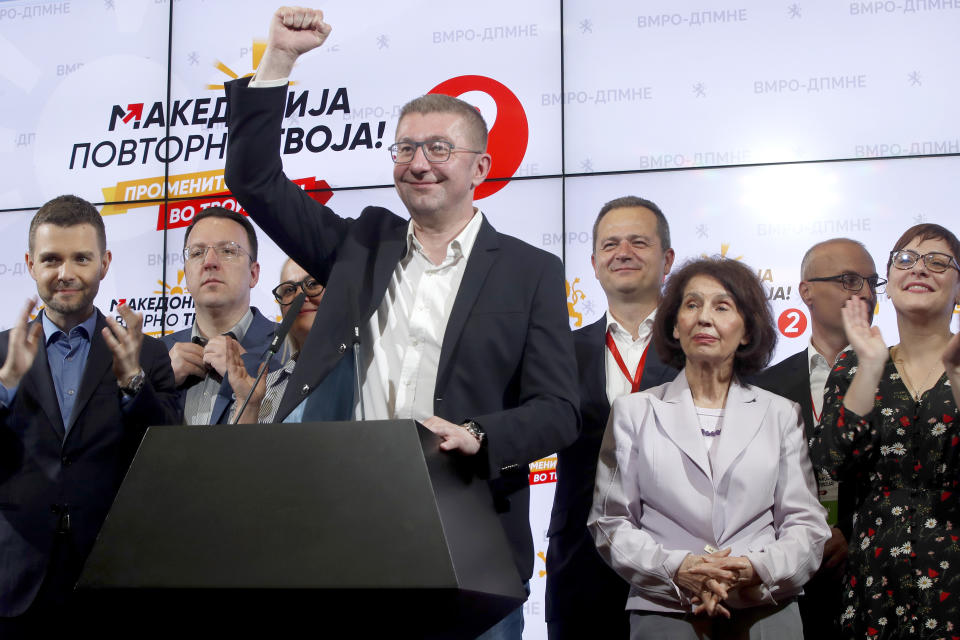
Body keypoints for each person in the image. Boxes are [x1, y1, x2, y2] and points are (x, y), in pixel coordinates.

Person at [223, 8, 579, 637]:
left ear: (480, 166)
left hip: (471, 535)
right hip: (348, 526)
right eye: (406, 147)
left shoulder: (532, 272)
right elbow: (254, 179)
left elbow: (558, 410)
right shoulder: (360, 244)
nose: (419, 162)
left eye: (439, 148)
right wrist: (278, 60)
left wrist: (479, 434)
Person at [589, 257, 829, 639]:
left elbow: (807, 525)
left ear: (747, 331)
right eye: (692, 304)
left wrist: (752, 570)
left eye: (722, 306)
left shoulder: (780, 414)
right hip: (665, 608)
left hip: (764, 607)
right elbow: (611, 522)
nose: (704, 318)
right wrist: (679, 569)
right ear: (674, 325)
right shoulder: (634, 412)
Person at [0, 195, 180, 634]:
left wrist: (132, 381)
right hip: (16, 585)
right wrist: (6, 387)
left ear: (104, 263)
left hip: (115, 578)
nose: (66, 274)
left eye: (81, 258)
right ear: (29, 264)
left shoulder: (149, 353)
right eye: (51, 259)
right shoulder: (0, 353)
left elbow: (171, 462)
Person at [811, 223, 960, 639]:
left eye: (938, 261)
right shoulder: (853, 366)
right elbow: (828, 469)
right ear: (888, 286)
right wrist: (871, 369)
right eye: (906, 260)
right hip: (874, 578)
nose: (919, 269)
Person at [546, 196, 677, 639]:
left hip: (679, 563)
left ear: (667, 260)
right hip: (580, 567)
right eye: (610, 244)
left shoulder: (703, 348)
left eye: (639, 242)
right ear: (595, 263)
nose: (623, 252)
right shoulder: (556, 351)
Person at [753, 238, 884, 638]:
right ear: (805, 291)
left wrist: (853, 529)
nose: (863, 292)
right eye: (848, 280)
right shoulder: (763, 387)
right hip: (787, 588)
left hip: (877, 576)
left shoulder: (900, 380)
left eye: (871, 282)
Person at [161, 206, 279, 425]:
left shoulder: (289, 347)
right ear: (186, 275)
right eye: (197, 253)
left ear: (253, 274)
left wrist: (247, 368)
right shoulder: (157, 355)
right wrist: (158, 383)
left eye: (228, 251)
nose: (209, 262)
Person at [227, 259, 353, 424]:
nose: (300, 296)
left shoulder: (365, 368)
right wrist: (249, 406)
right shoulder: (261, 390)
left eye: (313, 284)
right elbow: (235, 450)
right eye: (289, 290)